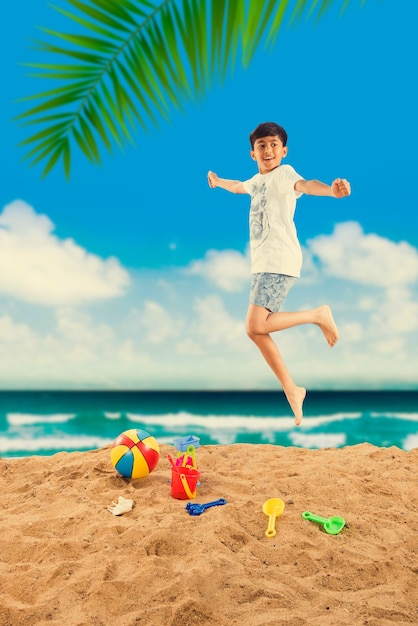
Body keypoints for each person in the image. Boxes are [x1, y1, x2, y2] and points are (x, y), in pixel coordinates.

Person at [207, 121, 351, 426]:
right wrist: (218, 181)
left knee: (255, 325)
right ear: (253, 153)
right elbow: (237, 187)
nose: (268, 150)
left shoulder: (285, 175)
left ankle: (317, 316)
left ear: (283, 151)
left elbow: (307, 185)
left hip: (279, 260)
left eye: (274, 144)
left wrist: (331, 192)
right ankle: (292, 389)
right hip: (262, 264)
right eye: (262, 146)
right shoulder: (256, 182)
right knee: (255, 329)